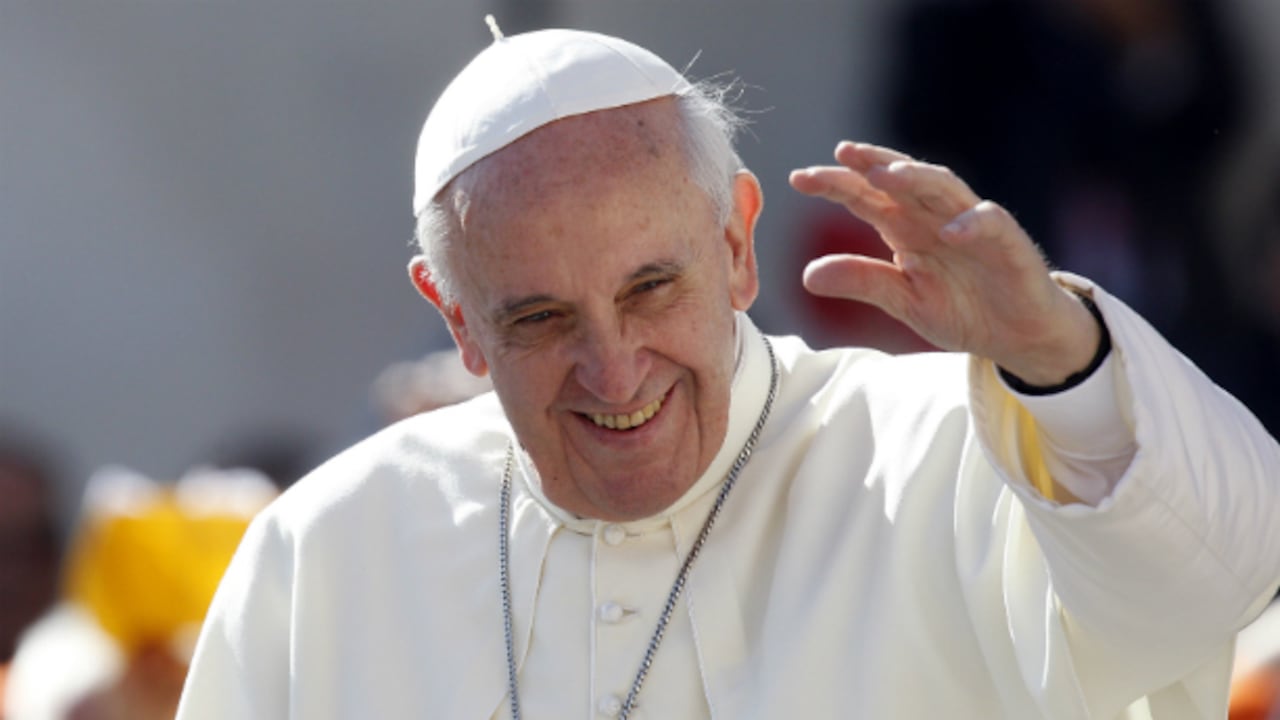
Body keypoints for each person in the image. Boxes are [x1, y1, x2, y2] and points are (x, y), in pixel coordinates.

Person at [175, 21, 1280, 719]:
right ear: (453, 318)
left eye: (650, 289)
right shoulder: (325, 556)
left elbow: (1217, 580)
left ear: (737, 243)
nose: (613, 374)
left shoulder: (953, 455)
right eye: (542, 318)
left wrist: (1053, 356)